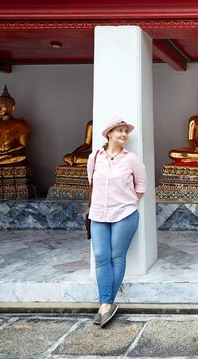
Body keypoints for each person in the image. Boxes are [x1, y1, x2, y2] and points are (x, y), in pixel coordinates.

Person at [87, 117, 147, 328]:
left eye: (125, 131)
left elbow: (141, 186)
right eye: (119, 131)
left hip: (124, 214)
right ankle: (107, 304)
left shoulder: (132, 159)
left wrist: (125, 203)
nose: (124, 134)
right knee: (101, 256)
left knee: (116, 256)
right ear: (109, 134)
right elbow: (91, 182)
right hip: (98, 215)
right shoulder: (95, 157)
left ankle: (104, 305)